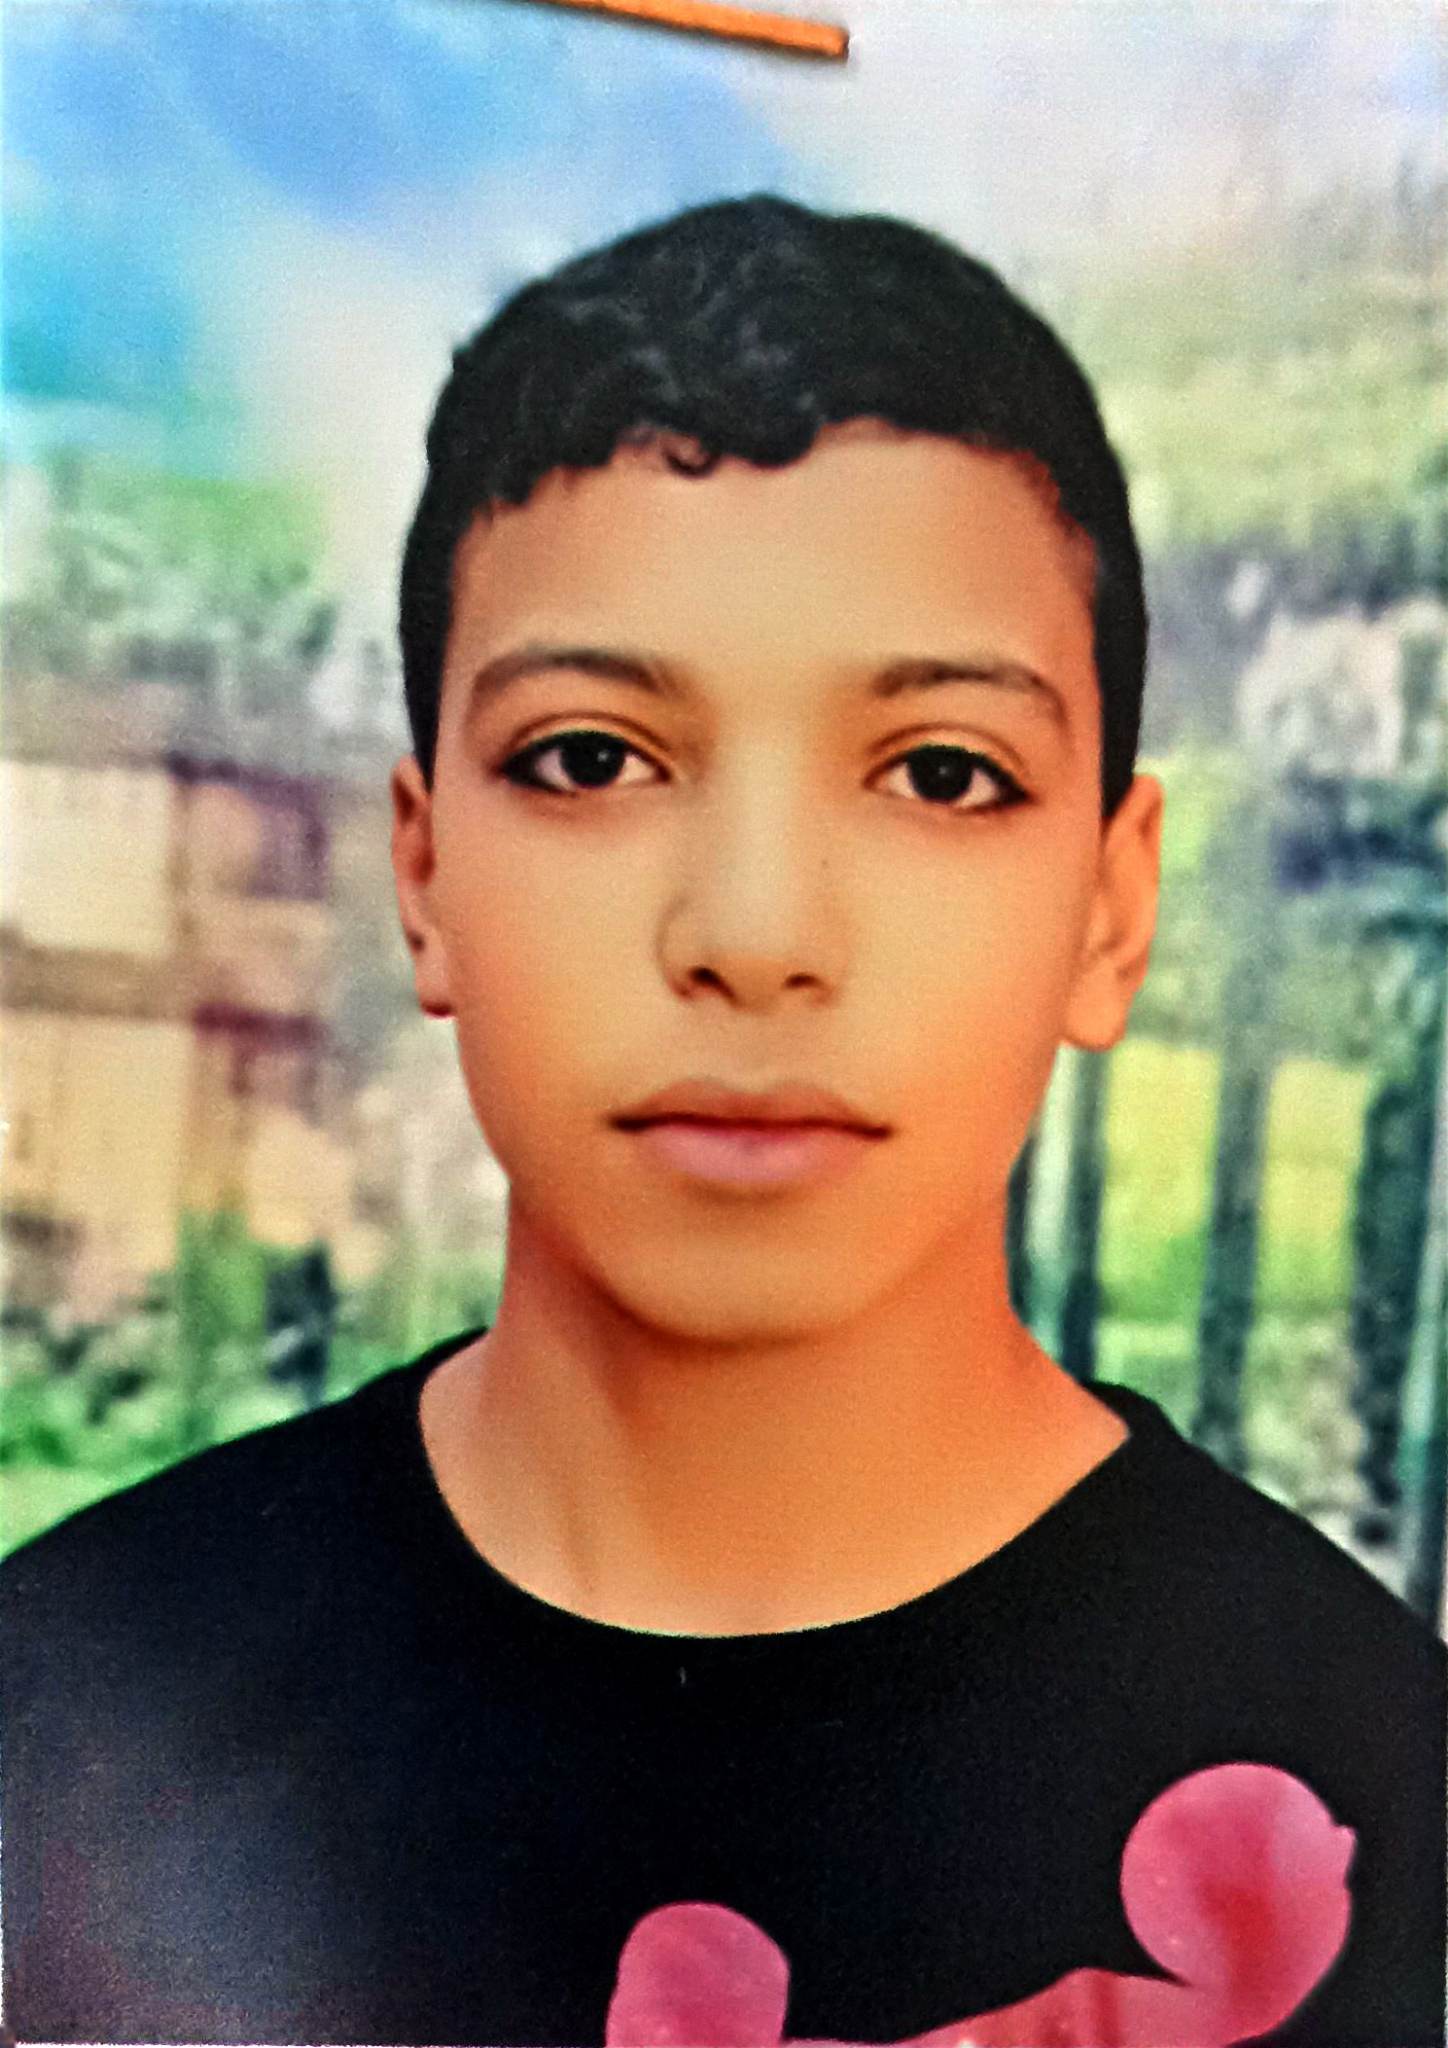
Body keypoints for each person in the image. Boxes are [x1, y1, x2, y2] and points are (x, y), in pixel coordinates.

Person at [2, 195, 1443, 2048]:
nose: (755, 934)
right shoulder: (60, 1721)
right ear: (425, 876)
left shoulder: (1389, 1799)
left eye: (943, 773)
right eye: (593, 758)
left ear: (1112, 906)